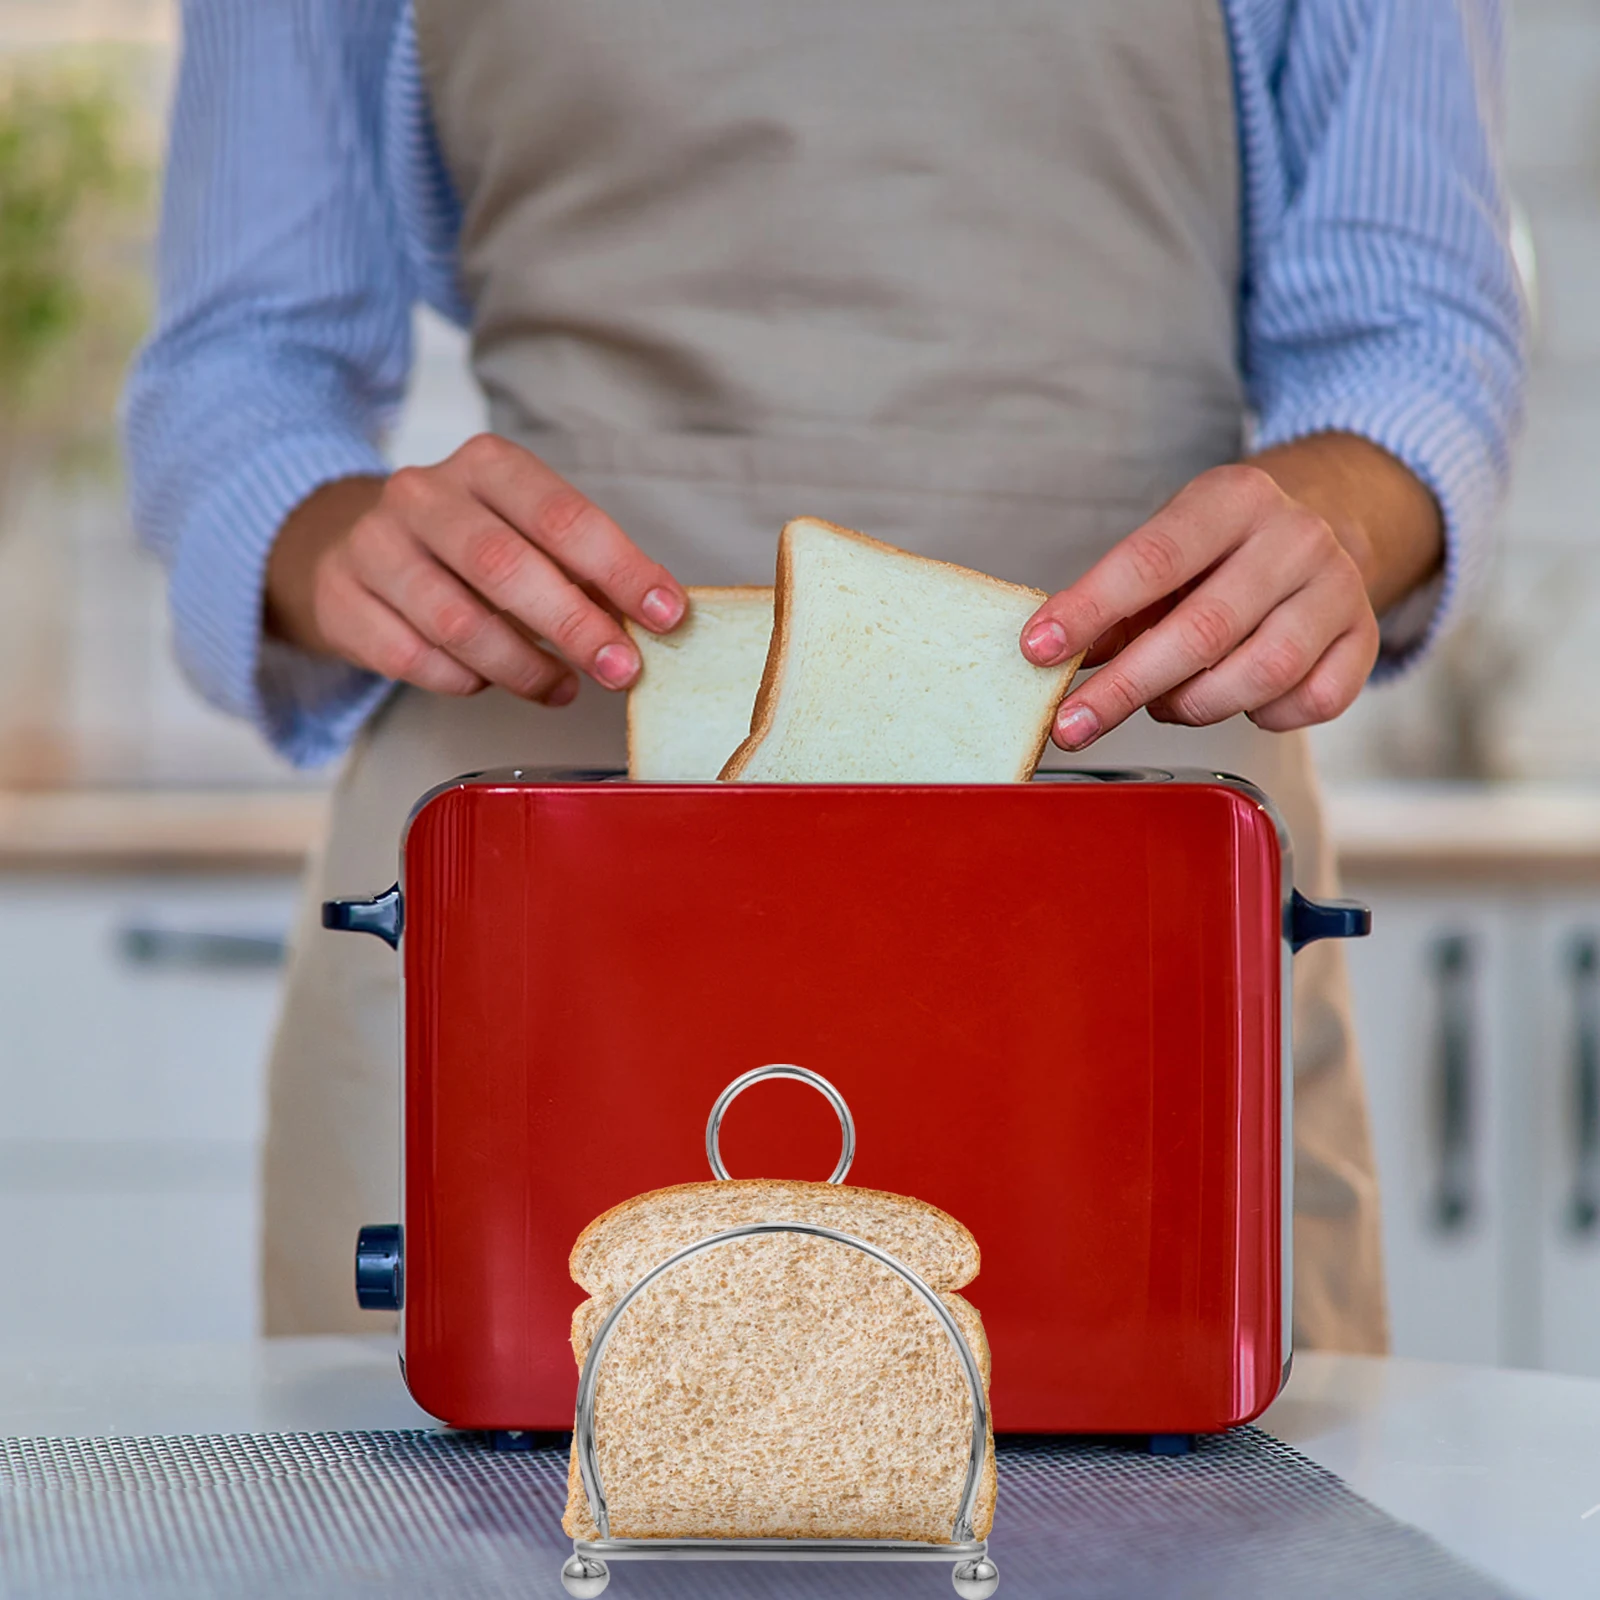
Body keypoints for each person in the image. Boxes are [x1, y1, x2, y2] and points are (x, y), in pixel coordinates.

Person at [125, 0, 1525, 1350]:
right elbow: (242, 366)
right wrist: (329, 540)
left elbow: (1415, 338)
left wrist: (1332, 519)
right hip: (525, 924)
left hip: (1137, 933)